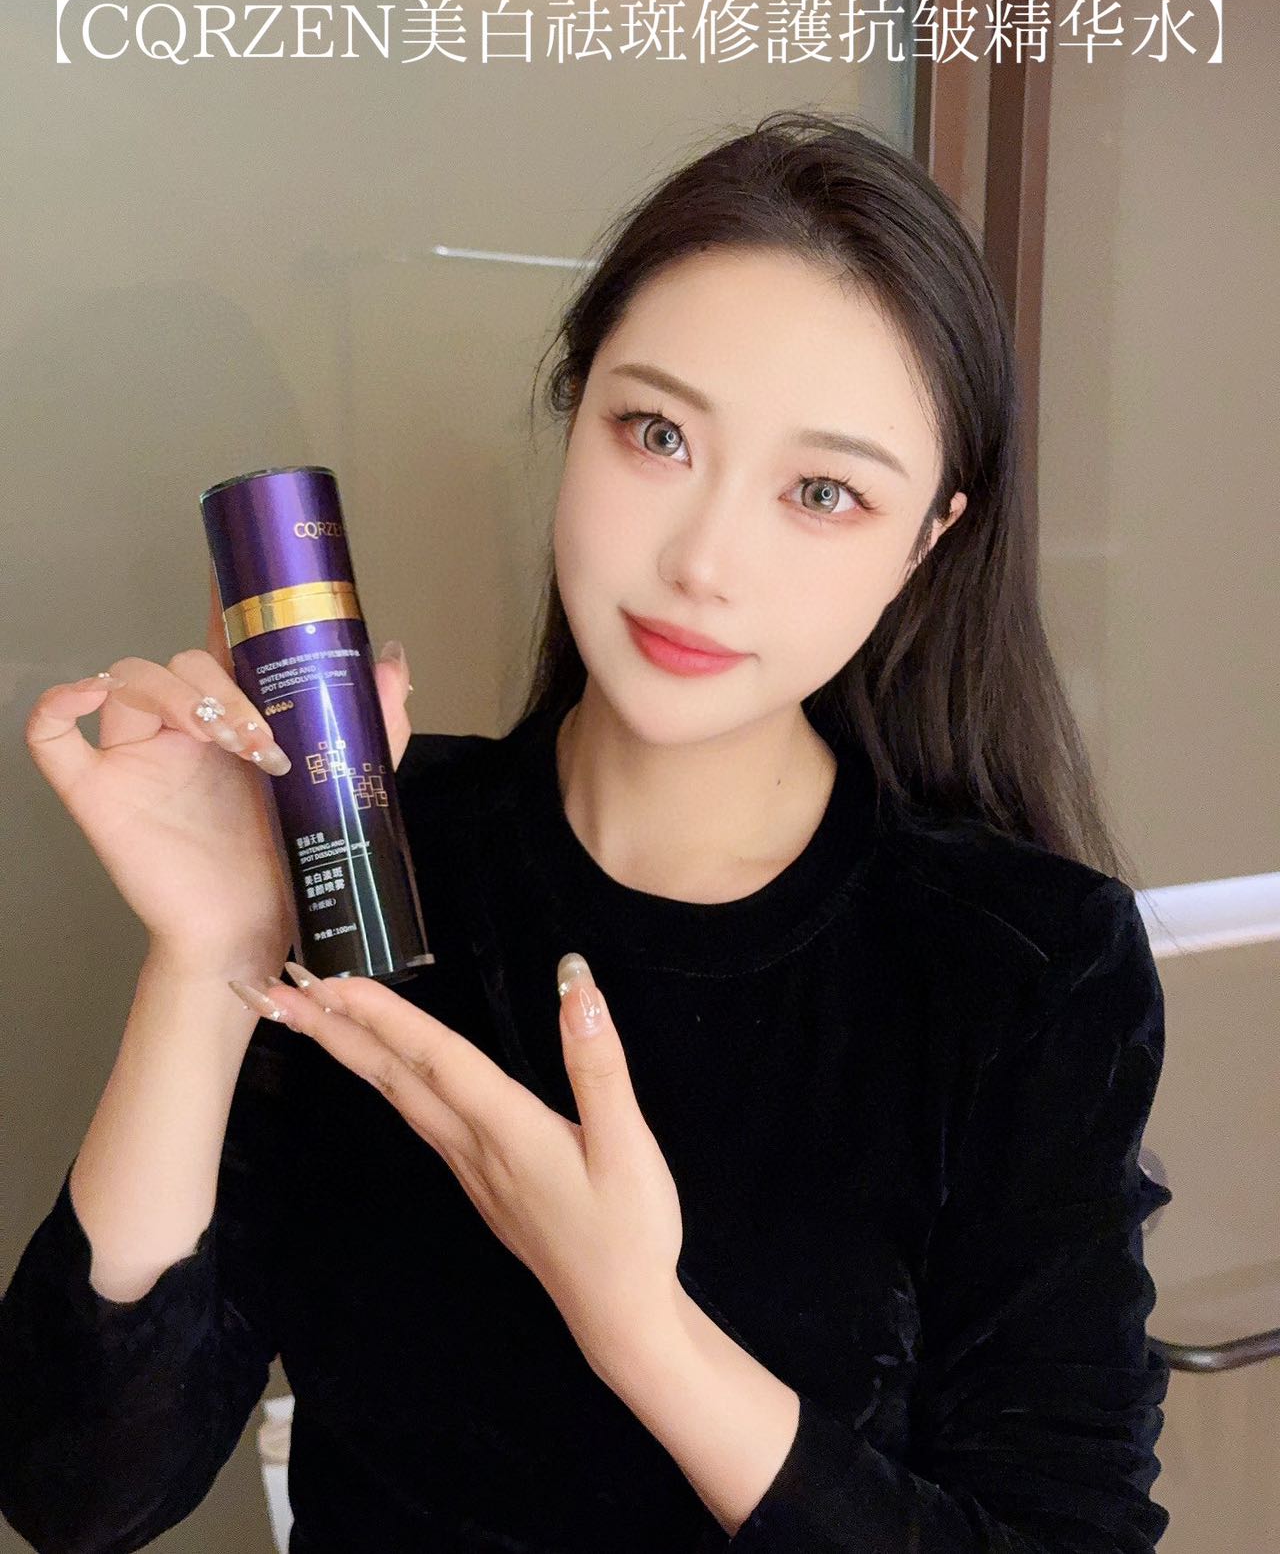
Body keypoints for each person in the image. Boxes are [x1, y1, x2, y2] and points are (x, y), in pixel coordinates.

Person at [1, 109, 1173, 1552]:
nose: (704, 562)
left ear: (927, 537)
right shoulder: (366, 857)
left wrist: (641, 1329)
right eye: (658, 433)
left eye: (823, 492)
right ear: (575, 408)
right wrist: (208, 961)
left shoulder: (1025, 967)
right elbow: (78, 1490)